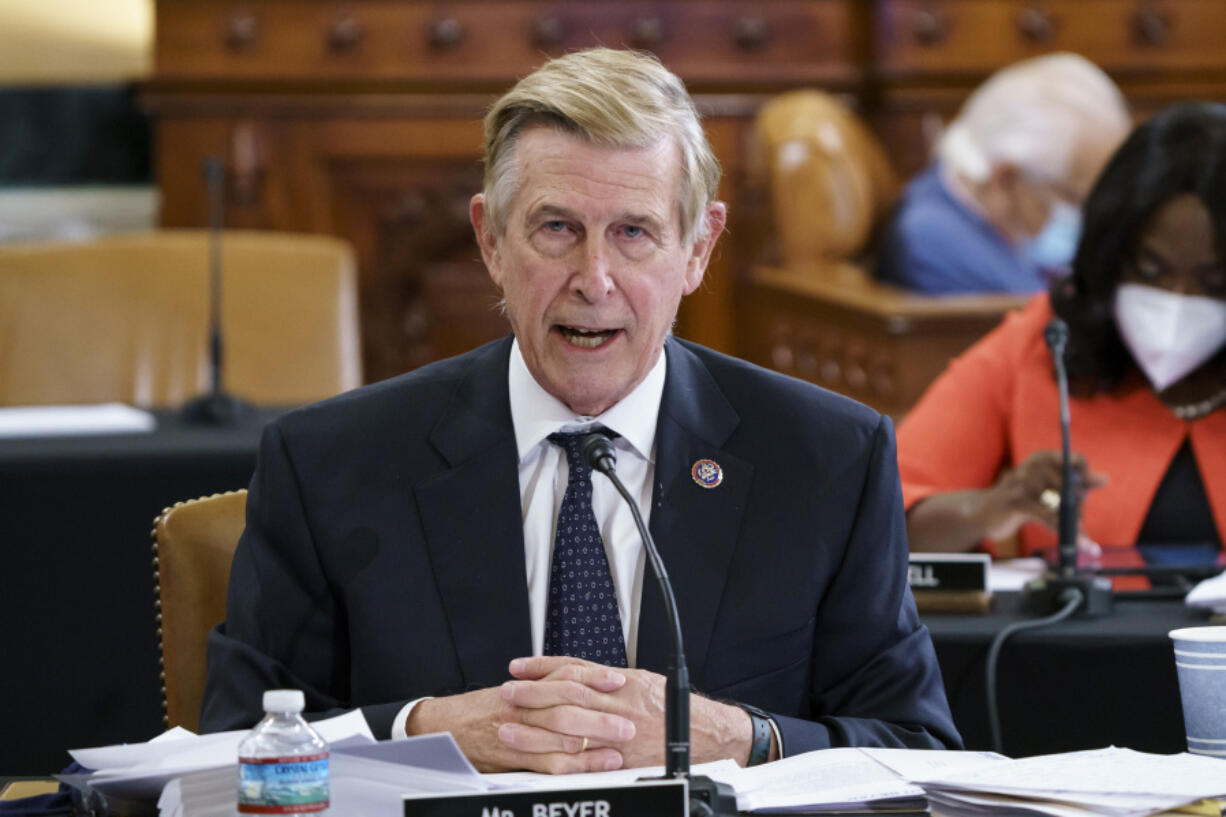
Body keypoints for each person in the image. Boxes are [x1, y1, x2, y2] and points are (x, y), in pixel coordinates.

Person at [200, 48, 960, 772]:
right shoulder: (330, 461)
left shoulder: (826, 459)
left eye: (633, 233)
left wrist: (745, 735)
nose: (593, 280)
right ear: (491, 239)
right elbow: (233, 742)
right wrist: (420, 726)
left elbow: (915, 747)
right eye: (557, 228)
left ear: (698, 248)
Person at [899, 102, 1226, 562]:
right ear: (1110, 254)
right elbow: (886, 518)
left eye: (1214, 282)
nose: (1178, 298)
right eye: (1151, 270)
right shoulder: (1045, 340)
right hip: (1078, 634)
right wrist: (992, 508)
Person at [876, 53, 1130, 295]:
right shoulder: (930, 239)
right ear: (1005, 179)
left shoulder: (1001, 225)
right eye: (1077, 202)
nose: (1087, 221)